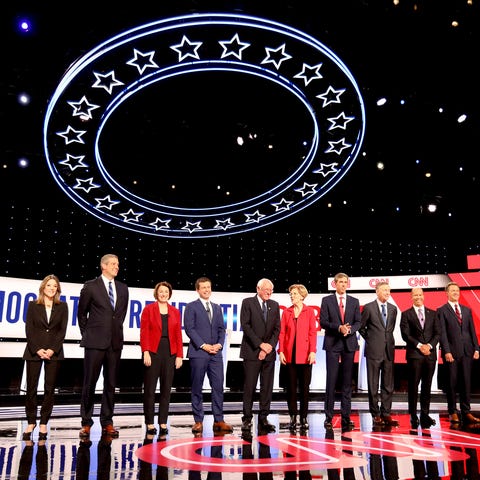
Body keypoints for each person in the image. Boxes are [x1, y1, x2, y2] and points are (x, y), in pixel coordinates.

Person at [77, 253, 129, 438]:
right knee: (89, 383)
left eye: (118, 264)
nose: (117, 266)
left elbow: (120, 315)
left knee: (110, 384)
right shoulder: (90, 286)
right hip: (94, 342)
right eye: (113, 264)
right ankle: (86, 422)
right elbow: (81, 314)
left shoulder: (123, 288)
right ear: (103, 266)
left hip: (114, 344)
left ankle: (107, 421)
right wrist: (89, 334)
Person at [183, 276, 233, 434]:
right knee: (197, 387)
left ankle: (219, 420)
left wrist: (218, 345)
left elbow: (221, 329)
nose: (206, 290)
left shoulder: (217, 308)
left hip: (216, 354)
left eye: (208, 287)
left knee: (218, 387)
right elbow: (190, 329)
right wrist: (204, 346)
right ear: (197, 290)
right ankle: (198, 421)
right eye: (203, 287)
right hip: (199, 353)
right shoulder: (191, 307)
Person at [22, 274, 68, 440]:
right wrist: (38, 349)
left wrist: (52, 349)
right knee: (32, 388)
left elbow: (62, 331)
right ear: (43, 287)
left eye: (54, 286)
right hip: (34, 351)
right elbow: (29, 329)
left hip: (53, 353)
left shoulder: (62, 306)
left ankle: (43, 422)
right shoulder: (33, 305)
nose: (51, 288)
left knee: (49, 389)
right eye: (49, 285)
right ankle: (31, 421)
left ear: (57, 289)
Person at [140, 281, 183, 436]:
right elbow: (144, 332)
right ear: (156, 294)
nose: (163, 294)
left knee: (166, 389)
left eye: (166, 291)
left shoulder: (175, 312)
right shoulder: (148, 309)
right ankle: (150, 422)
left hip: (170, 352)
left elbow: (178, 334)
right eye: (161, 292)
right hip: (153, 351)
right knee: (150, 389)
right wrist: (145, 351)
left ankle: (163, 421)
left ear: (169, 294)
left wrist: (179, 355)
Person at [320, 272, 361, 431]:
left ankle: (346, 416)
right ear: (335, 284)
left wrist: (349, 330)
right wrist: (338, 328)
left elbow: (358, 321)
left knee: (346, 383)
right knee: (331, 381)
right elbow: (323, 321)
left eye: (346, 282)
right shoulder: (327, 300)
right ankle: (328, 417)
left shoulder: (354, 301)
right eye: (341, 282)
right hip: (332, 343)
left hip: (349, 344)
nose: (343, 284)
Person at [239, 278, 280, 433]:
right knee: (249, 387)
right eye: (266, 290)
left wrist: (268, 346)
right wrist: (260, 345)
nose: (269, 292)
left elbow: (277, 329)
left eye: (271, 290)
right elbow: (246, 326)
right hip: (251, 352)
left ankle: (263, 418)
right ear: (258, 288)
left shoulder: (274, 305)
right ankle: (247, 418)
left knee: (267, 387)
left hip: (268, 353)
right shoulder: (248, 302)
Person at [437, 281, 480, 425]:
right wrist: (446, 351)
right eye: (452, 290)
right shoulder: (442, 310)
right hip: (452, 353)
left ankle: (466, 411)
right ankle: (452, 412)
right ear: (447, 293)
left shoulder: (466, 310)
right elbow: (442, 333)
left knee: (466, 382)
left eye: (457, 290)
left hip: (467, 351)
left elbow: (472, 331)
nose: (455, 292)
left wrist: (476, 348)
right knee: (452, 383)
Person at [400, 287, 441, 429]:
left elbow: (438, 333)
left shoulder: (434, 314)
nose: (418, 297)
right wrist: (419, 346)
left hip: (430, 355)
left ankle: (425, 414)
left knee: (427, 386)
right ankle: (413, 414)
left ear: (423, 296)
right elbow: (405, 335)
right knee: (413, 386)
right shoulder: (406, 314)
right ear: (411, 297)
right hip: (414, 355)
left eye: (420, 294)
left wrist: (429, 346)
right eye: (415, 295)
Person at [278, 284, 317, 431]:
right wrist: (281, 351)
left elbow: (312, 333)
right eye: (291, 294)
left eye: (294, 293)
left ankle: (304, 417)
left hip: (306, 355)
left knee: (304, 388)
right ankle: (293, 417)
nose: (292, 296)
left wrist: (312, 351)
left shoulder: (309, 312)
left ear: (301, 295)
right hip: (289, 355)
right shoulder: (286, 312)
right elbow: (282, 334)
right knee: (291, 388)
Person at [359, 281, 398, 427]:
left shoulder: (393, 309)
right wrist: (371, 339)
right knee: (373, 384)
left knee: (388, 384)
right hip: (373, 351)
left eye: (389, 290)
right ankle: (375, 414)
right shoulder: (369, 308)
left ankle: (386, 413)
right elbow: (361, 328)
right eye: (384, 290)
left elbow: (390, 329)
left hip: (389, 350)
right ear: (377, 291)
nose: (387, 293)